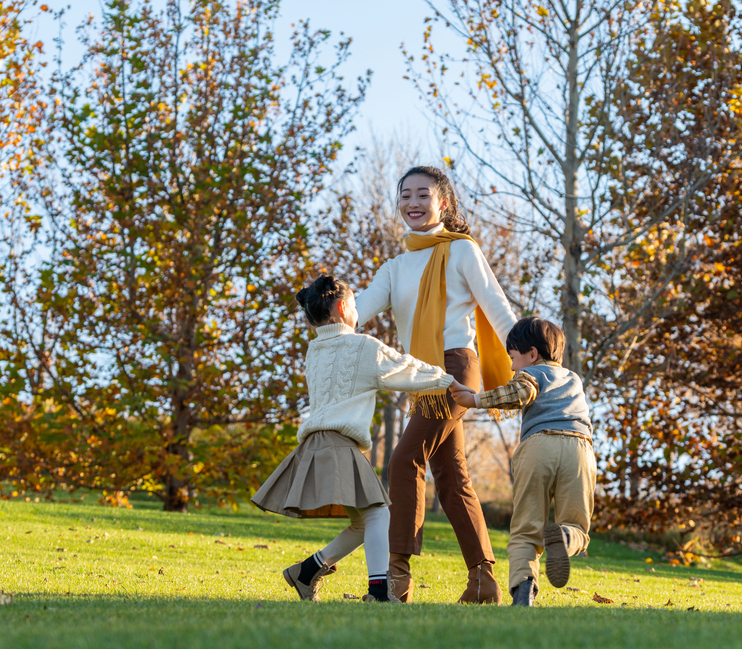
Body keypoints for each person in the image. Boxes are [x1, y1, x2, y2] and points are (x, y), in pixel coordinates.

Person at [355, 165, 518, 604]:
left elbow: (498, 309)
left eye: (423, 194)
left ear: (443, 202)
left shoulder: (462, 251)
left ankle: (396, 578)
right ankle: (483, 581)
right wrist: (327, 306)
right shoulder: (395, 267)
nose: (412, 202)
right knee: (451, 477)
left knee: (404, 460)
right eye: (405, 194)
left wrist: (534, 358)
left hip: (454, 370)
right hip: (420, 376)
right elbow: (359, 310)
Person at [252, 274, 455, 603]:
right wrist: (448, 380)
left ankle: (306, 572)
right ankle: (379, 591)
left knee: (364, 522)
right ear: (344, 307)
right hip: (338, 444)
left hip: (317, 445)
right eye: (357, 305)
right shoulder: (364, 347)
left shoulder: (314, 350)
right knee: (378, 514)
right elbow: (405, 369)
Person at [450, 316, 596, 607]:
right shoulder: (573, 378)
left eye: (513, 359)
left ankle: (523, 594)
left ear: (532, 354)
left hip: (538, 446)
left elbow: (521, 392)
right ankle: (565, 539)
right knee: (578, 526)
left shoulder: (532, 374)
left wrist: (475, 400)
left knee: (526, 529)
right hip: (580, 450)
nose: (512, 367)